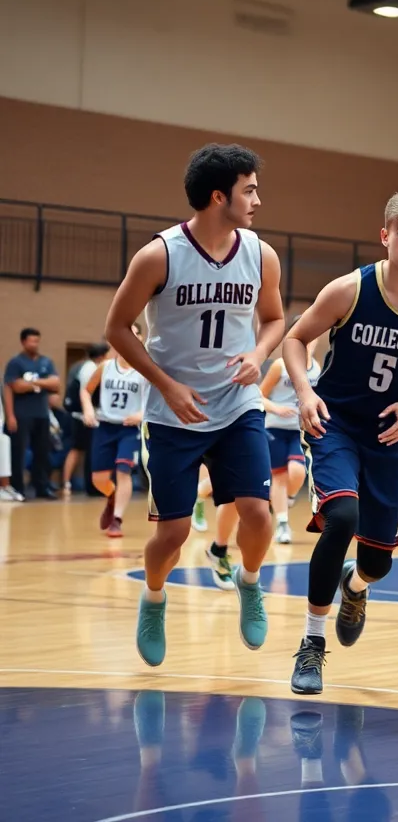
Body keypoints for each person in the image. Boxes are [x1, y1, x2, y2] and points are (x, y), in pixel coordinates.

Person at [104, 143, 286, 667]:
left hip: (237, 405)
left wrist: (257, 353)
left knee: (258, 513)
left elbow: (274, 319)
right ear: (217, 196)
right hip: (173, 412)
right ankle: (154, 597)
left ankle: (249, 583)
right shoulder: (159, 255)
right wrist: (165, 384)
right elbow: (116, 328)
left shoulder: (260, 254)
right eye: (249, 190)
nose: (257, 200)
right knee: (174, 534)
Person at [285, 189, 398, 696]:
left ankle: (356, 586)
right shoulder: (349, 289)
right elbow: (295, 339)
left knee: (377, 560)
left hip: (391, 433)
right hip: (336, 423)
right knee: (342, 517)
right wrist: (304, 392)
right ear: (385, 235)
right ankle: (312, 643)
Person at [81, 323, 149, 538]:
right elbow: (86, 390)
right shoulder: (105, 367)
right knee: (98, 479)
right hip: (105, 427)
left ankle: (117, 520)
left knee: (123, 470)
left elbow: (156, 399)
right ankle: (112, 496)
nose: (132, 337)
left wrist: (141, 414)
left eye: (136, 334)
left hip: (129, 429)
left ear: (141, 339)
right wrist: (88, 409)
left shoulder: (145, 369)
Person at [260, 315, 322, 545]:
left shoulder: (317, 368)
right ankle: (283, 524)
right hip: (275, 427)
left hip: (300, 430)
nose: (310, 341)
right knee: (279, 476)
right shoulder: (280, 365)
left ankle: (288, 498)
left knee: (297, 472)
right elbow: (259, 394)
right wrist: (275, 408)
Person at [4, 327, 60, 499]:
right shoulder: (16, 363)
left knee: (42, 452)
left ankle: (42, 487)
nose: (35, 344)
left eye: (37, 340)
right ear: (23, 342)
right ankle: (17, 488)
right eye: (32, 341)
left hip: (42, 414)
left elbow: (56, 384)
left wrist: (31, 383)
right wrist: (10, 415)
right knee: (19, 453)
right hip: (21, 415)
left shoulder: (46, 361)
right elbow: (12, 387)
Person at [63, 342, 110, 497]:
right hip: (83, 417)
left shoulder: (85, 366)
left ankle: (82, 484)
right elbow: (87, 393)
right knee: (79, 449)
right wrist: (88, 413)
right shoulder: (90, 369)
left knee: (84, 450)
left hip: (85, 416)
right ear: (102, 356)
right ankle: (68, 483)